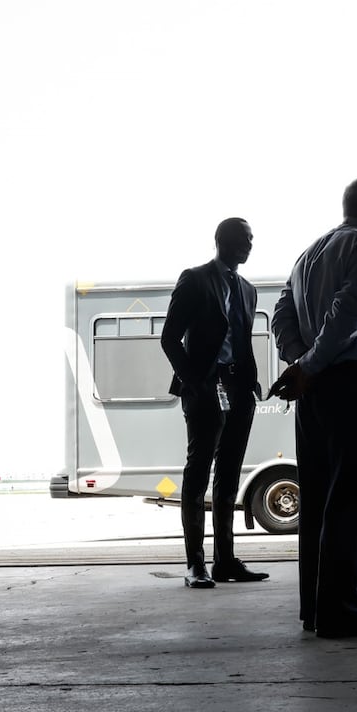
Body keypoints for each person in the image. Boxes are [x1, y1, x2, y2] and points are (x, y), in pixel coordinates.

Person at [270, 175, 357, 638]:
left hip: (317, 391)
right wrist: (312, 363)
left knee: (322, 500)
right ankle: (343, 608)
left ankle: (318, 608)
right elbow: (352, 310)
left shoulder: (309, 254)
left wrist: (303, 363)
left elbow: (282, 314)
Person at [159, 218, 267, 589]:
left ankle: (226, 561)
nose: (248, 245)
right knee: (198, 475)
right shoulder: (195, 279)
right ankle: (196, 565)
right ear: (221, 240)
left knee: (230, 478)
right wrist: (195, 383)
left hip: (239, 391)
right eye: (241, 239)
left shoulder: (248, 290)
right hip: (206, 387)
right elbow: (170, 338)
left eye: (251, 240)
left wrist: (251, 382)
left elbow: (242, 339)